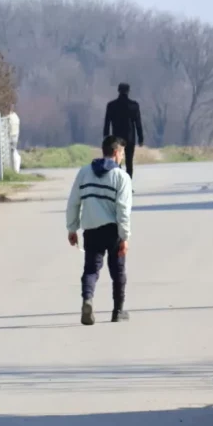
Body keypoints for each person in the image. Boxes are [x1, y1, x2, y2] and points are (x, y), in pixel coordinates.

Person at [67, 136, 134, 326]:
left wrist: (72, 228)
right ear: (115, 153)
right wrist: (125, 237)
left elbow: (73, 202)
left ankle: (87, 300)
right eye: (121, 152)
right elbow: (123, 210)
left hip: (91, 229)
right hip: (113, 231)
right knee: (118, 271)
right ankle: (117, 311)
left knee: (91, 269)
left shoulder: (84, 173)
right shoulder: (121, 177)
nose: (122, 156)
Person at [103, 83, 145, 177]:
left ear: (118, 90)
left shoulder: (111, 105)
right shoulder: (134, 105)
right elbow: (138, 123)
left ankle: (118, 183)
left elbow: (107, 122)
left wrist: (106, 136)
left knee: (117, 161)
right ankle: (128, 184)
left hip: (116, 138)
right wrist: (140, 138)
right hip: (130, 138)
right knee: (129, 162)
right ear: (128, 91)